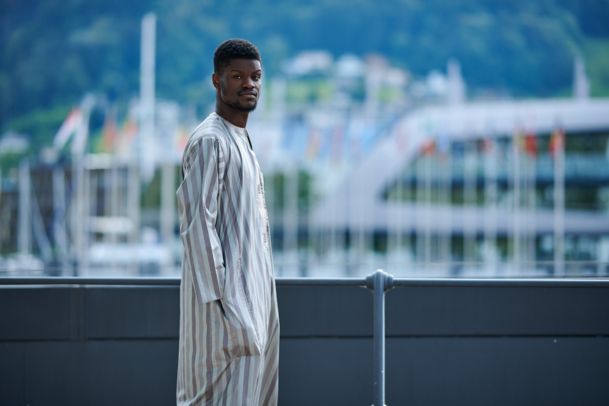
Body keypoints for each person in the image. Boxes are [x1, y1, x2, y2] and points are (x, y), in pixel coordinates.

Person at [176, 39, 279, 406]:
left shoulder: (242, 140)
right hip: (226, 316)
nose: (249, 84)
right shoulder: (210, 141)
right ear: (217, 81)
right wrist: (227, 311)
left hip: (254, 308)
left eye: (256, 76)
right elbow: (197, 228)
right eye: (237, 76)